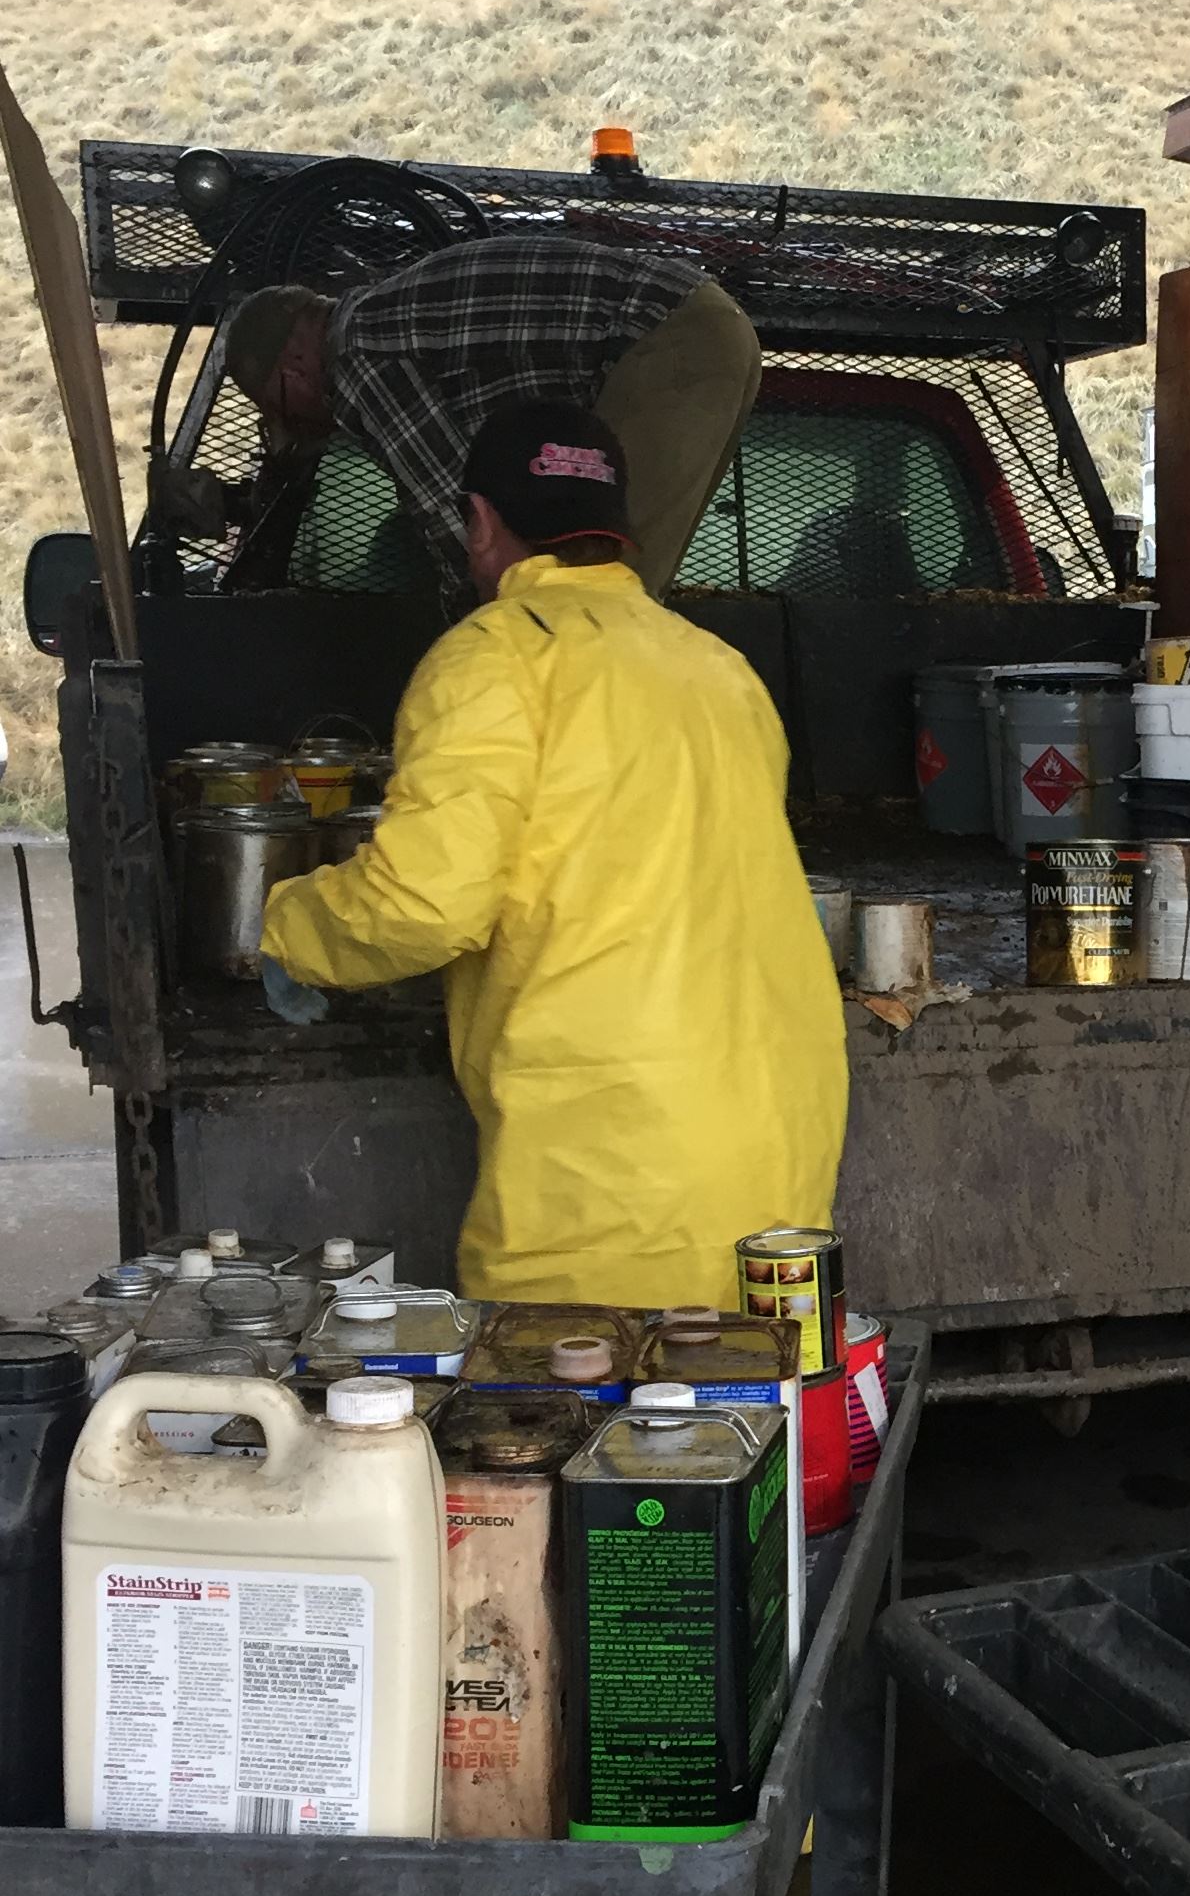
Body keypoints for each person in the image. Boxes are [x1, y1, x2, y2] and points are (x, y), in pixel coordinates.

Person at [258, 398, 845, 1311]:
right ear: (615, 529)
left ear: (482, 522)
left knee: (572, 1433)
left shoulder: (493, 659)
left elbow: (422, 907)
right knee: (744, 1426)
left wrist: (288, 928)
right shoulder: (719, 669)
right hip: (778, 1140)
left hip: (608, 1165)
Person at [222, 236, 761, 597]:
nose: (299, 422)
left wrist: (481, 641)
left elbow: (452, 516)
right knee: (614, 592)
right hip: (708, 322)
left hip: (666, 337)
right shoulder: (390, 320)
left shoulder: (357, 354)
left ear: (294, 362)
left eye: (281, 402)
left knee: (598, 599)